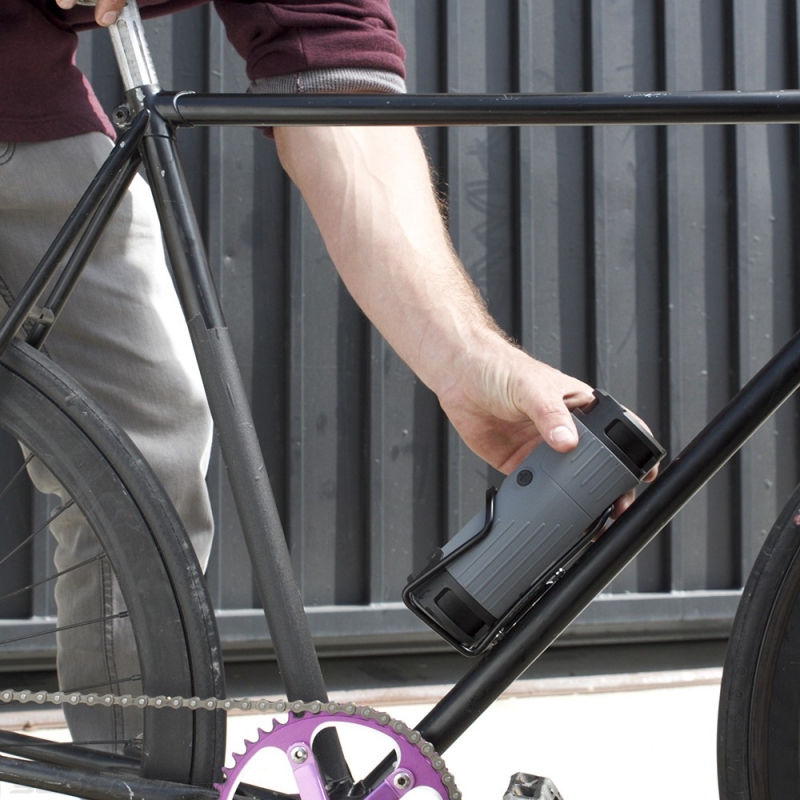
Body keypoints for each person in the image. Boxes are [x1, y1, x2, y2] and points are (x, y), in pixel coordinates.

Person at [1, 0, 651, 750]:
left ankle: (136, 773)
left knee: (142, 461)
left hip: (31, 108)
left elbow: (327, 56)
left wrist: (466, 357)